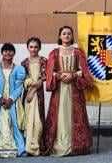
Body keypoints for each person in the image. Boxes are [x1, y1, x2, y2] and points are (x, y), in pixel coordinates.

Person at [43, 27, 94, 156]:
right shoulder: (54, 53)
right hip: (60, 89)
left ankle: (75, 145)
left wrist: (74, 75)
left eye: (69, 34)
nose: (66, 36)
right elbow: (49, 71)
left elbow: (84, 70)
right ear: (60, 36)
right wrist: (59, 76)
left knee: (75, 115)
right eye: (64, 33)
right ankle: (59, 142)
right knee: (60, 116)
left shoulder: (78, 52)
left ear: (72, 36)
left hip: (74, 88)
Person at [20, 37, 46, 156]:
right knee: (28, 120)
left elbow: (44, 77)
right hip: (28, 95)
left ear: (39, 48)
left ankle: (36, 146)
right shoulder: (24, 63)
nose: (33, 49)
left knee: (38, 122)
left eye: (36, 47)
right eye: (31, 47)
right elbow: (23, 79)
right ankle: (28, 146)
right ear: (28, 48)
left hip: (38, 94)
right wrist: (29, 87)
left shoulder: (43, 61)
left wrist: (34, 89)